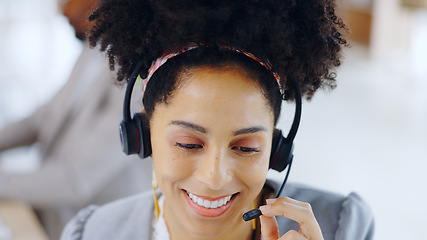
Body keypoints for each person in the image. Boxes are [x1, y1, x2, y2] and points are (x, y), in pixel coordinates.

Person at [61, 0, 375, 239]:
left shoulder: (341, 226)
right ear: (144, 133)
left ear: (277, 149)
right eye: (188, 144)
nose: (214, 178)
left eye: (246, 148)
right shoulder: (93, 233)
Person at [0, 0, 151, 239]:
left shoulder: (137, 72)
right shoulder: (93, 51)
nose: (61, 9)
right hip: (57, 221)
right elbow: (41, 118)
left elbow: (76, 179)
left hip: (98, 230)